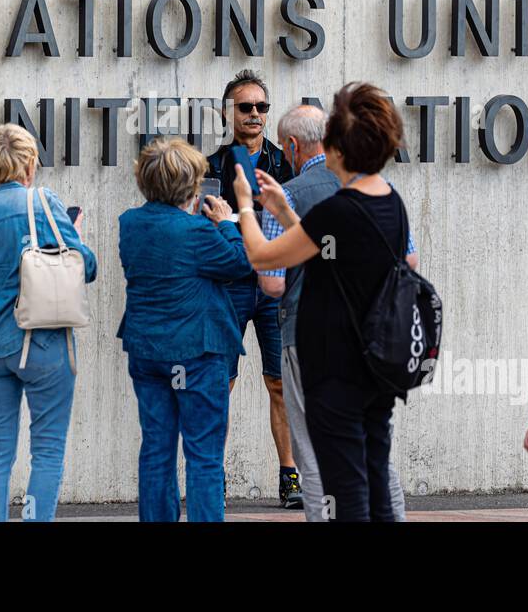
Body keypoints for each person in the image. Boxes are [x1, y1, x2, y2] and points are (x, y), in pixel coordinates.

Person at [232, 82, 409, 521]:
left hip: (327, 355)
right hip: (377, 352)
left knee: (320, 462)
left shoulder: (333, 210)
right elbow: (326, 254)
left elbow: (263, 260)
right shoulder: (390, 202)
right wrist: (285, 210)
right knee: (376, 461)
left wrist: (246, 207)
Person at [0, 123, 97, 522]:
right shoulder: (44, 202)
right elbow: (85, 266)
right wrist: (77, 239)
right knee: (47, 449)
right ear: (30, 165)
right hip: (42, 343)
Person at [117, 137, 251, 521]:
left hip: (147, 351)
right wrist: (227, 223)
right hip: (197, 352)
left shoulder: (130, 224)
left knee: (156, 448)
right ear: (191, 186)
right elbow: (241, 263)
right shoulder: (197, 233)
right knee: (204, 455)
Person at [205, 69, 300, 506]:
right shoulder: (209, 167)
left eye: (262, 107)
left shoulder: (287, 164)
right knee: (220, 383)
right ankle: (213, 476)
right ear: (229, 113)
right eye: (246, 107)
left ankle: (289, 477)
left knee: (280, 383)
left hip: (274, 289)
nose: (256, 114)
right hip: (226, 287)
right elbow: (197, 228)